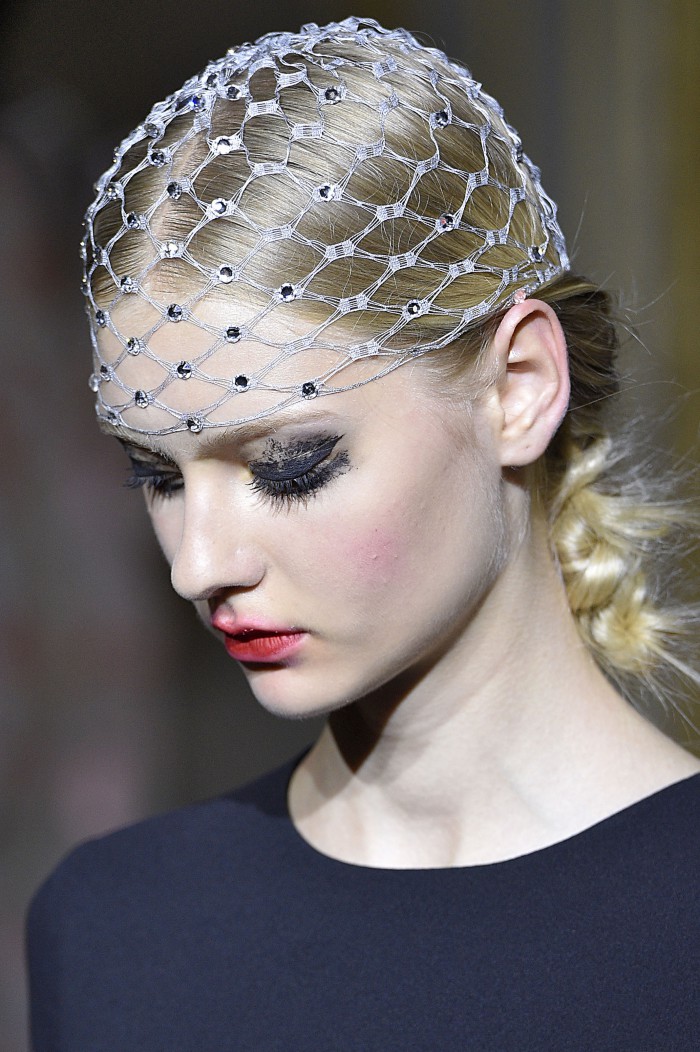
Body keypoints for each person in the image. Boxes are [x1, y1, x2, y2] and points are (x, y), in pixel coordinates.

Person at [28, 16, 699, 1050]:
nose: (198, 564)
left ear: (518, 388)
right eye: (154, 473)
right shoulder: (116, 926)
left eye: (290, 464)